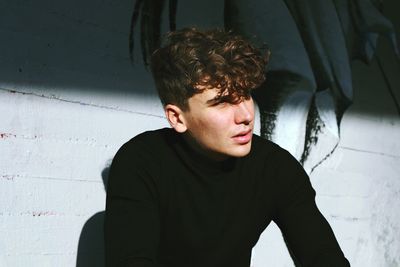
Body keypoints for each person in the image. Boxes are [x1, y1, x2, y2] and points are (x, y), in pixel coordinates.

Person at [104, 28, 350, 267]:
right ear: (177, 118)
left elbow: (323, 256)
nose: (246, 115)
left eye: (245, 95)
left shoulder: (275, 168)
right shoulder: (142, 162)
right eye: (222, 103)